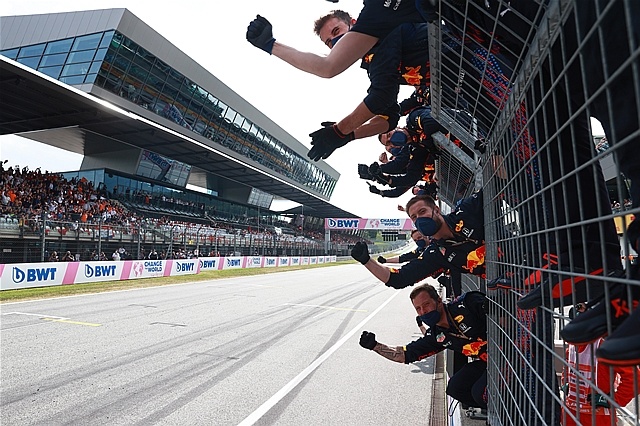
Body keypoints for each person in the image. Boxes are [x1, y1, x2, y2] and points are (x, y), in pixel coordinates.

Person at [359, 284, 488, 410]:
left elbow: (497, 311)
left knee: (479, 393)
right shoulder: (436, 335)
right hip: (487, 362)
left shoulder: (466, 304)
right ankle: (492, 410)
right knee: (455, 388)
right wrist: (375, 346)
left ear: (438, 301)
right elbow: (405, 354)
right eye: (418, 309)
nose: (423, 311)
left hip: (500, 354)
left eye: (426, 304)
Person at [351, 191, 486, 289]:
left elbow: (494, 182)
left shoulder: (465, 211)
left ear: (436, 210)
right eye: (414, 217)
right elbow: (399, 279)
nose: (419, 219)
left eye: (422, 212)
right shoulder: (436, 254)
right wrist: (367, 261)